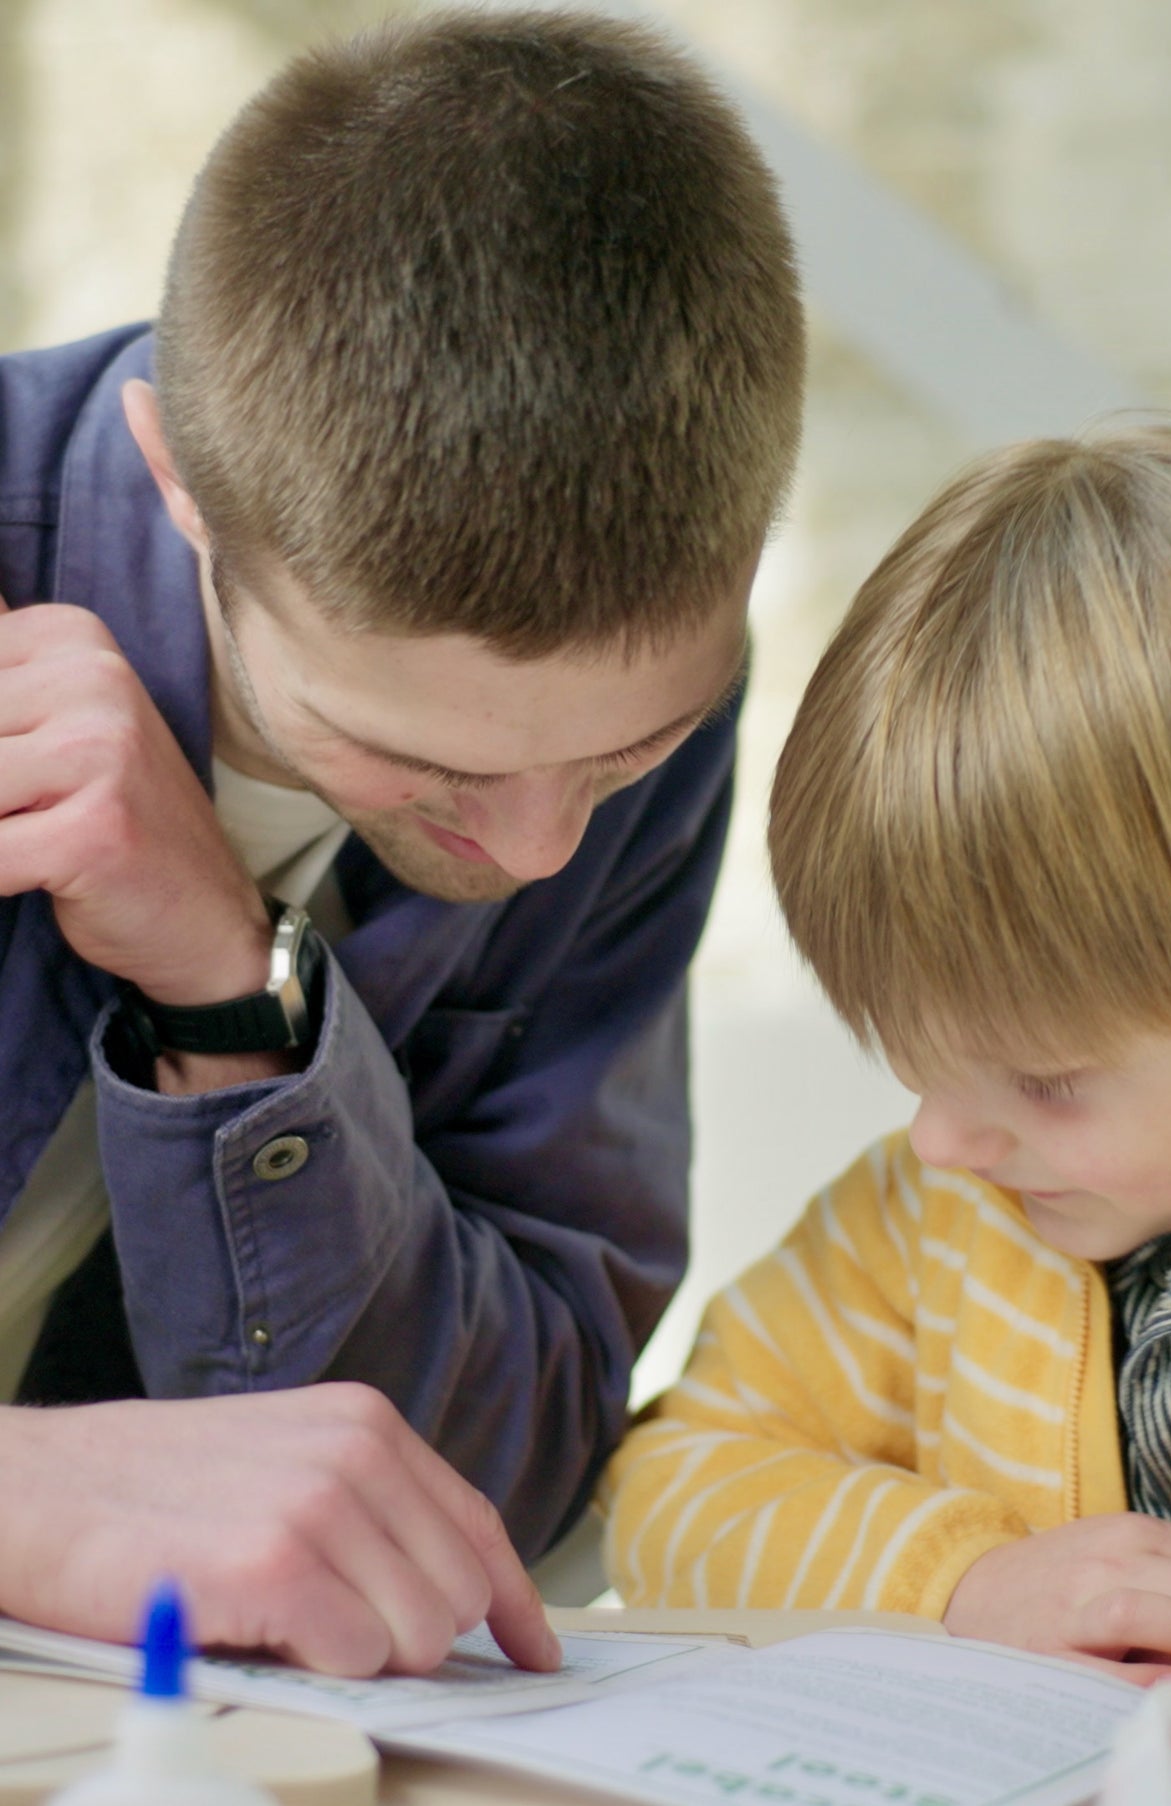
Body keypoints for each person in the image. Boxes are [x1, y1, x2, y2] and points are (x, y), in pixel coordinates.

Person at [0, 7, 804, 1675]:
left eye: (626, 748)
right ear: (180, 480)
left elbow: (501, 1485)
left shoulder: (606, 738)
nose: (532, 849)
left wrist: (231, 997)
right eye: (411, 757)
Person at [603, 423, 1171, 1689]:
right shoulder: (935, 1217)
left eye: (1045, 1081)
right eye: (923, 1063)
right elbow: (669, 1490)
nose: (943, 1139)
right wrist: (960, 1581)